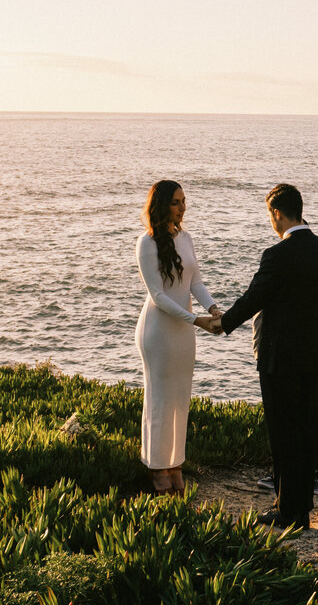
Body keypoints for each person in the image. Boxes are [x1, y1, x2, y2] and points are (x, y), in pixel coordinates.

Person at [220, 184, 318, 529]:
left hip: (279, 358)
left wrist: (223, 323)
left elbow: (253, 298)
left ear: (277, 213)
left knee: (284, 432)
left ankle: (288, 510)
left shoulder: (276, 255)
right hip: (314, 355)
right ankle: (301, 508)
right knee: (307, 429)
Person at [134, 180, 222, 496]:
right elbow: (158, 295)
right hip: (158, 331)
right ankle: (156, 467)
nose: (182, 207)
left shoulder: (185, 238)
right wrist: (196, 320)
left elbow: (194, 281)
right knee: (159, 399)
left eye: (184, 200)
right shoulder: (147, 243)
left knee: (179, 399)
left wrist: (212, 307)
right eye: (175, 202)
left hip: (185, 330)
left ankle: (174, 463)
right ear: (160, 205)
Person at [253, 279, 318, 495]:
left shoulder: (282, 260)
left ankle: (311, 473)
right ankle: (290, 475)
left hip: (303, 354)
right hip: (296, 353)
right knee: (297, 415)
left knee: (304, 415)